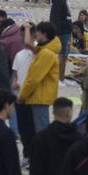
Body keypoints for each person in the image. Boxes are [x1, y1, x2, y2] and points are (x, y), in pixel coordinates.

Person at [18, 21, 61, 154]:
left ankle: (45, 157)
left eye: (38, 32)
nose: (35, 34)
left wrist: (22, 95)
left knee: (42, 131)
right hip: (40, 96)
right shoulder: (44, 50)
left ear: (44, 34)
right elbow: (28, 44)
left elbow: (34, 79)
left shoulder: (46, 53)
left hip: (40, 97)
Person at [29, 98, 80, 175]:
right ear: (69, 113)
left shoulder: (40, 138)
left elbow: (35, 170)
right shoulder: (79, 139)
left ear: (53, 113)